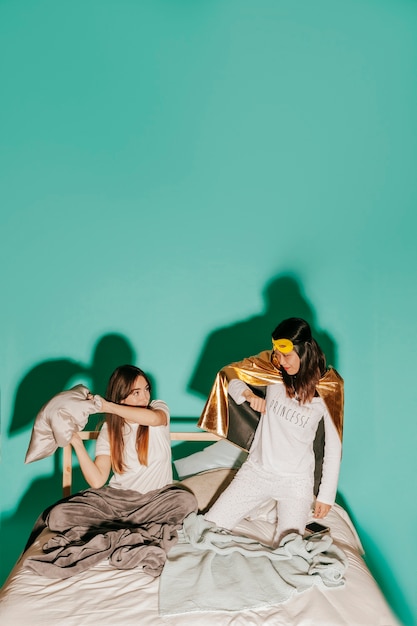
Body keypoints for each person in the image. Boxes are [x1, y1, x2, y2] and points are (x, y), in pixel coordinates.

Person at [199, 318, 344, 546]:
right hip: (257, 472)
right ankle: (263, 511)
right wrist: (249, 396)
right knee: (207, 530)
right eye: (277, 354)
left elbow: (334, 448)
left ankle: (268, 514)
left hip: (296, 482)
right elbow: (229, 376)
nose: (281, 361)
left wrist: (326, 497)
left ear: (304, 351)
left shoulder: (328, 388)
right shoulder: (273, 371)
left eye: (286, 355)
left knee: (289, 549)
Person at [70, 364, 172, 493]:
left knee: (185, 499)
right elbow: (97, 480)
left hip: (158, 500)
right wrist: (77, 443)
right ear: (121, 398)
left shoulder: (158, 408)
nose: (145, 397)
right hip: (120, 499)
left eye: (146, 389)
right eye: (136, 393)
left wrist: (108, 407)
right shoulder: (109, 429)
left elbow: (154, 419)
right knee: (61, 511)